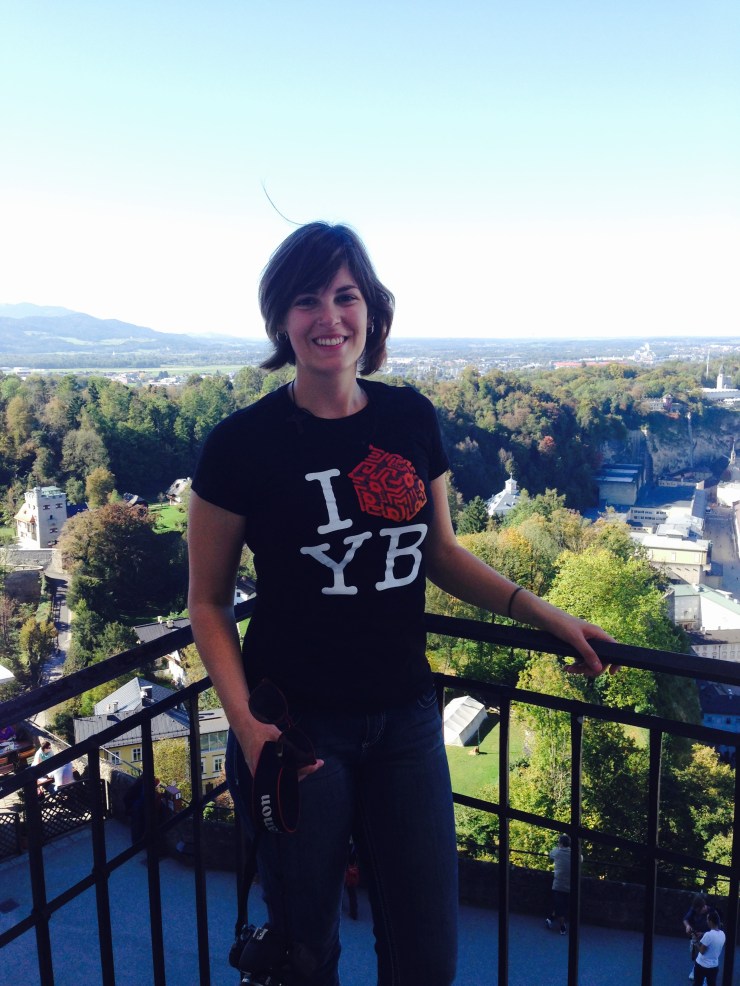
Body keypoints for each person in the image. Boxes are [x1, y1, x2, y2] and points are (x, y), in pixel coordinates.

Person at [187, 221, 615, 986]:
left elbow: (442, 552)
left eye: (345, 296)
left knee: (426, 955)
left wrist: (544, 613)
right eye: (307, 300)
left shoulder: (408, 418)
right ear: (280, 320)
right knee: (304, 949)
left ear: (372, 311)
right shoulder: (241, 444)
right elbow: (209, 602)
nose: (329, 318)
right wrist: (247, 726)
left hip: (407, 720)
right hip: (295, 730)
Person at [545, 834, 581, 936]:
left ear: (560, 843)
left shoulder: (557, 851)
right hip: (571, 885)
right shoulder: (575, 853)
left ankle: (562, 926)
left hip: (558, 884)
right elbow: (581, 859)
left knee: (559, 906)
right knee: (562, 906)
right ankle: (550, 919)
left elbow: (550, 854)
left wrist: (558, 847)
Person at [692, 909, 725, 986]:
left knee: (697, 983)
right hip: (714, 966)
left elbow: (701, 951)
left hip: (701, 965)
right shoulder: (723, 934)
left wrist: (695, 941)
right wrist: (703, 935)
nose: (706, 921)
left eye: (707, 919)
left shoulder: (708, 935)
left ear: (710, 922)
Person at [684, 894, 710, 979]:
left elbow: (716, 930)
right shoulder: (694, 909)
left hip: (708, 937)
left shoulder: (711, 913)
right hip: (696, 936)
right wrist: (687, 926)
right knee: (696, 954)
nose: (697, 913)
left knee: (704, 955)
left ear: (703, 907)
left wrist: (703, 934)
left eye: (699, 910)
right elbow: (685, 919)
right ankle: (696, 969)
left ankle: (705, 973)